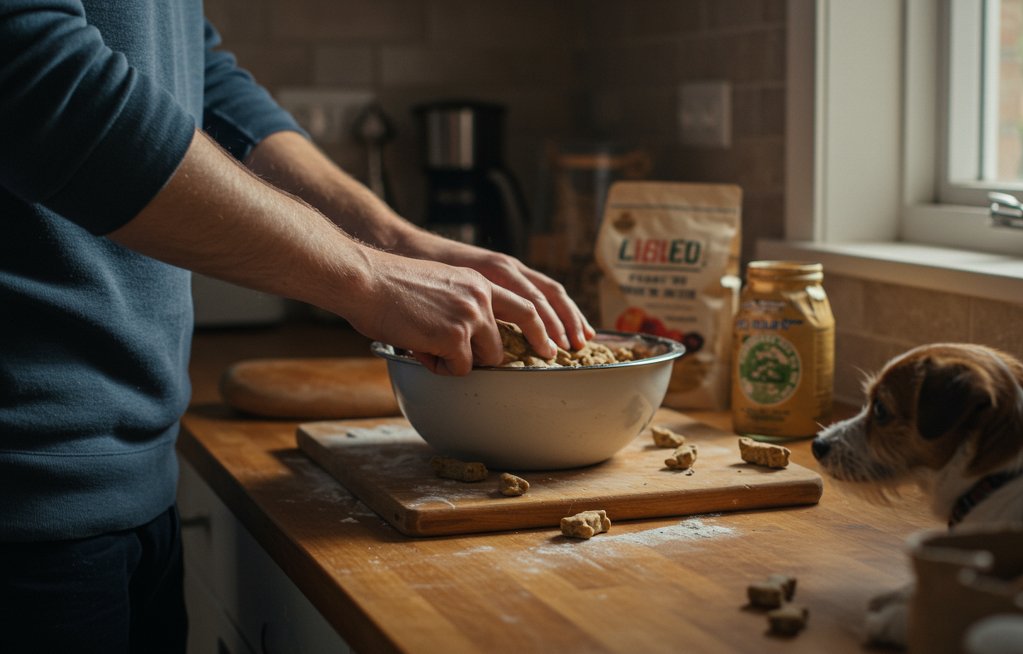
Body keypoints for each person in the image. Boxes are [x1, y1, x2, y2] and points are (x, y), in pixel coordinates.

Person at [0, 2, 593, 651]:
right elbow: (33, 70)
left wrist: (396, 242)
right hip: (24, 495)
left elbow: (200, 79)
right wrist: (366, 277)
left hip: (132, 474)